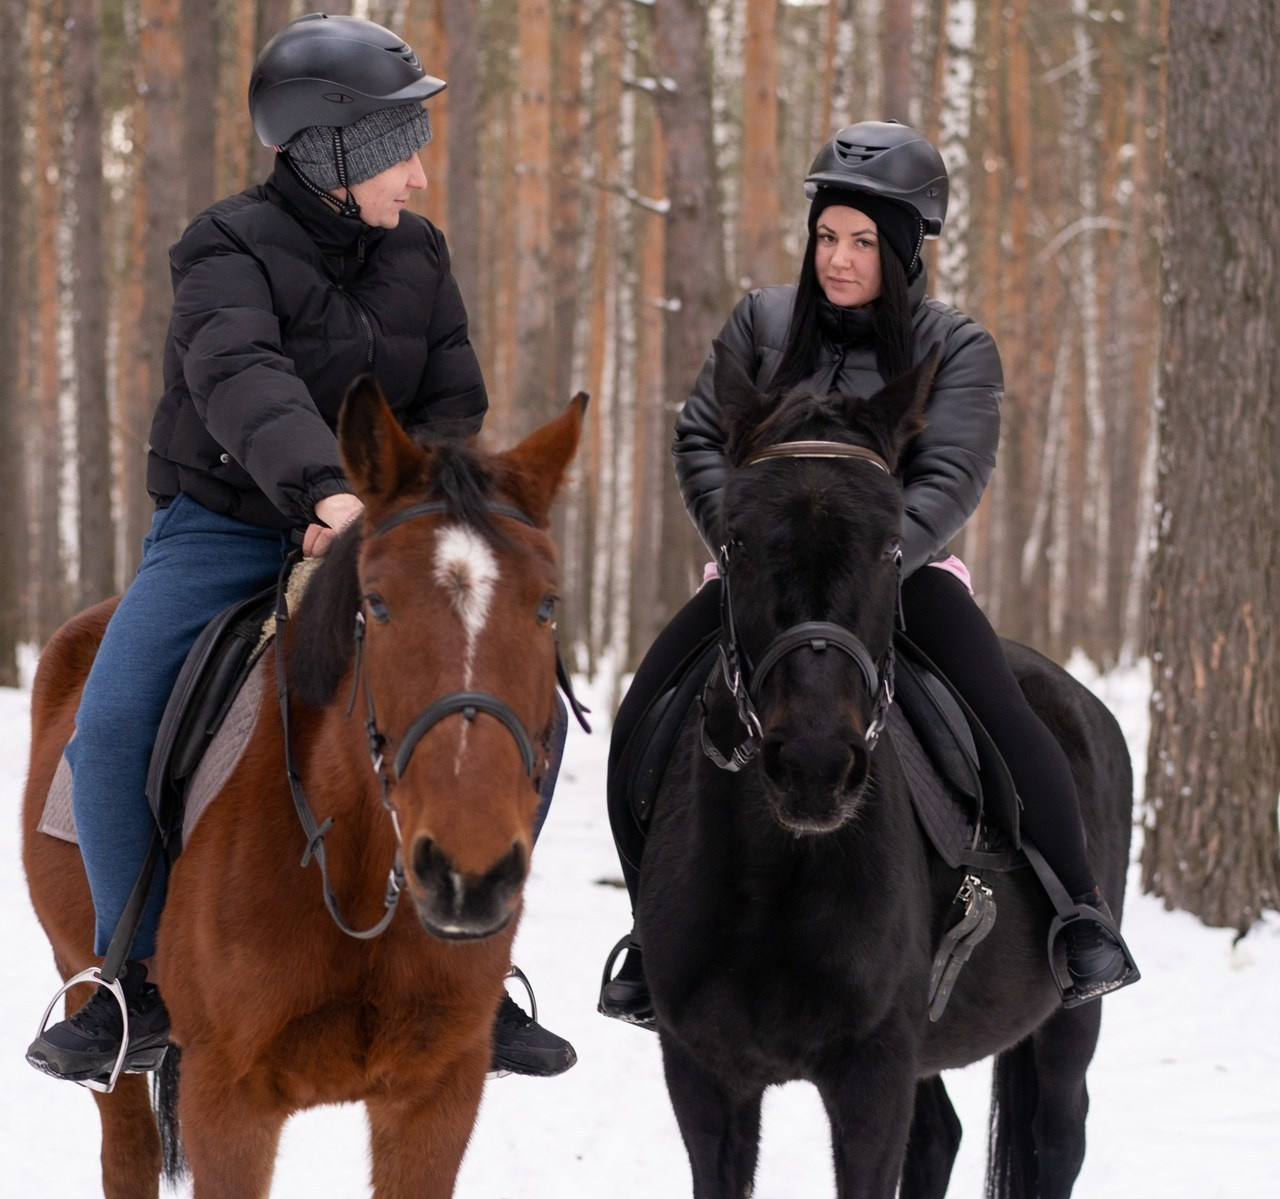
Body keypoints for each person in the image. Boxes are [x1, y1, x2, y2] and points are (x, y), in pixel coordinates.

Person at [27, 12, 575, 1085]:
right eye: (400, 147)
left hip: (392, 531)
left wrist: (433, 501)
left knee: (525, 698)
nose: (417, 175)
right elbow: (241, 379)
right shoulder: (221, 247)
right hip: (224, 528)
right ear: (334, 150)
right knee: (114, 722)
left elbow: (450, 403)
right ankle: (129, 983)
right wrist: (323, 493)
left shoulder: (419, 256)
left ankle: (476, 947)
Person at [598, 120, 1139, 1025]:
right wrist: (743, 540)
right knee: (642, 718)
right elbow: (700, 433)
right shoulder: (760, 323)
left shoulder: (954, 347)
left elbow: (953, 475)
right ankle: (651, 937)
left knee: (1006, 715)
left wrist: (876, 558)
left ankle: (1079, 916)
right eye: (825, 237)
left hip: (899, 576)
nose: (837, 261)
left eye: (860, 243)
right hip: (762, 579)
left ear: (904, 248)